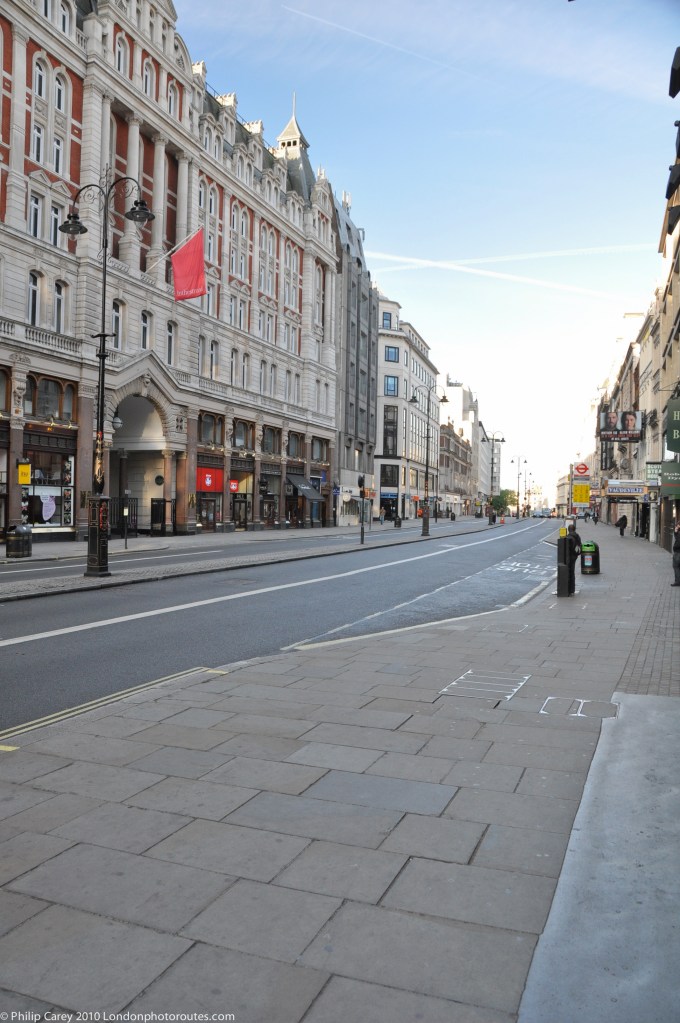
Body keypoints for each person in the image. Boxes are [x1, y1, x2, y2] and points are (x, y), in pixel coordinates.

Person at [567, 523, 582, 595]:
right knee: (572, 572)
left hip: (570, 556)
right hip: (575, 556)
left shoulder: (569, 537)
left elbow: (569, 548)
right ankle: (572, 590)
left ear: (568, 530)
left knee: (569, 572)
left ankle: (569, 589)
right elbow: (579, 545)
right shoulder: (577, 536)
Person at [672, 522, 680, 586]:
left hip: (678, 552)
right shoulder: (678, 533)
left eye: (677, 525)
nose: (676, 527)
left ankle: (677, 582)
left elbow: (678, 542)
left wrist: (674, 548)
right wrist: (676, 532)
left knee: (676, 566)